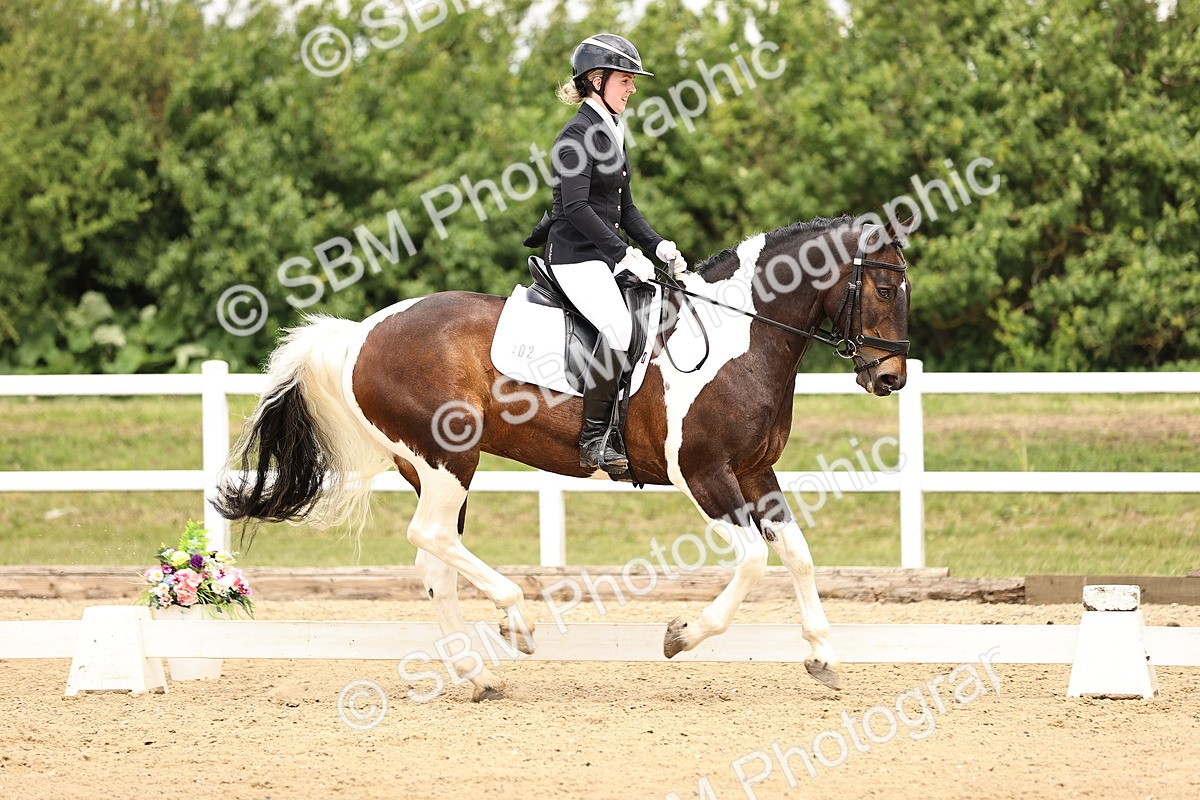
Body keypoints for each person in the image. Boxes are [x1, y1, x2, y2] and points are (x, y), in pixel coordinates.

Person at [530, 33, 687, 475]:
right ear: (596, 81)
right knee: (618, 328)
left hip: (599, 256)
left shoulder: (611, 132)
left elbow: (626, 209)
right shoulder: (575, 136)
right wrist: (622, 254)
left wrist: (658, 246)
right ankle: (594, 440)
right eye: (625, 80)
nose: (632, 88)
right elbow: (577, 208)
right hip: (574, 257)